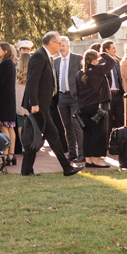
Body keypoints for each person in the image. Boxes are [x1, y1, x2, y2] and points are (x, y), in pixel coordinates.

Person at [20, 32, 80, 177]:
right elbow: (32, 81)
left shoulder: (47, 57)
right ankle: (66, 168)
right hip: (38, 106)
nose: (60, 46)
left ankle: (26, 170)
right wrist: (34, 103)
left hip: (44, 105)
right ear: (52, 43)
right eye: (59, 43)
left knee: (34, 136)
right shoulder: (39, 57)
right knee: (51, 136)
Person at [78, 49, 114, 168]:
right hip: (97, 106)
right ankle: (96, 159)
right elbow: (112, 62)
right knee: (98, 133)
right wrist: (102, 54)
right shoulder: (98, 70)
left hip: (83, 107)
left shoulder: (79, 74)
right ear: (94, 61)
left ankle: (88, 159)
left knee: (87, 133)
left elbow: (77, 92)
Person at [0, 42, 19, 166]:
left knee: (4, 126)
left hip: (3, 99)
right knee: (10, 127)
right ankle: (11, 154)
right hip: (9, 98)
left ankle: (5, 155)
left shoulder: (5, 64)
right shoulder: (10, 63)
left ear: (5, 51)